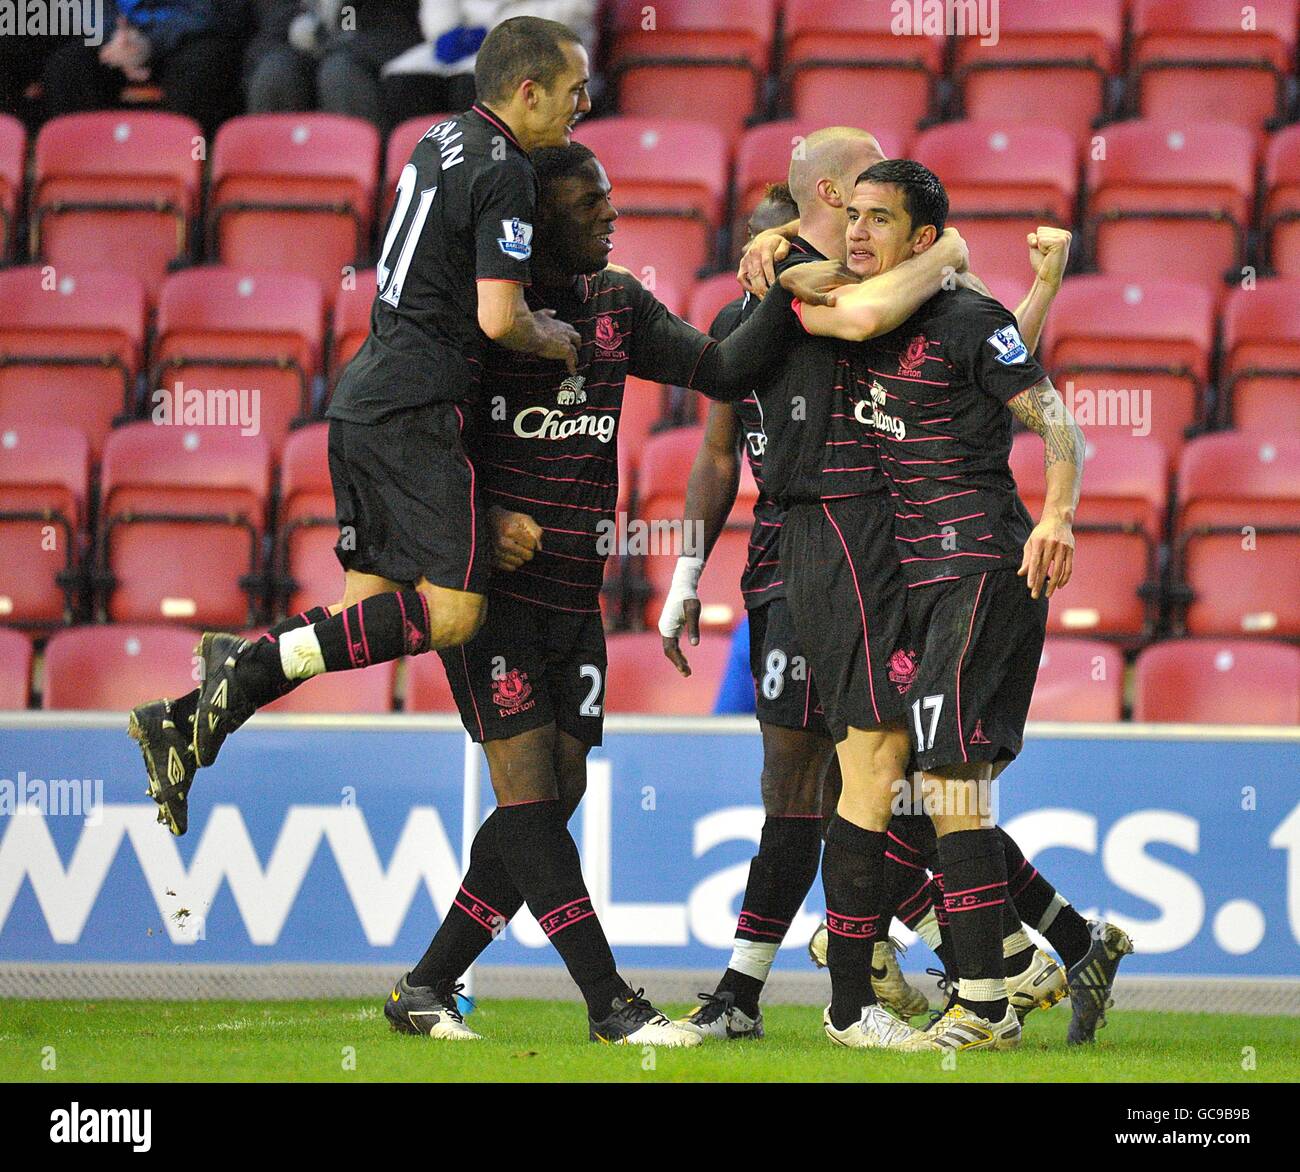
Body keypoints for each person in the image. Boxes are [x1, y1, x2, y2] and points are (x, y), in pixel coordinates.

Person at [128, 16, 590, 836]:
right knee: (451, 616)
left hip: (364, 399)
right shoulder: (506, 170)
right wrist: (551, 334)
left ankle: (190, 719)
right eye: (572, 90)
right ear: (527, 92)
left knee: (364, 614)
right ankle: (247, 662)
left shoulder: (435, 138)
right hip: (416, 411)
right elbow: (497, 317)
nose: (582, 105)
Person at [388, 139, 806, 1044]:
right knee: (533, 798)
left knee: (556, 793)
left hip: (576, 595)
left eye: (611, 201)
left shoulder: (618, 303)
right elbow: (418, 440)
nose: (612, 217)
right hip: (489, 595)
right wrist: (484, 511)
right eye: (590, 206)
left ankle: (425, 985)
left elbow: (725, 370)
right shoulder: (480, 319)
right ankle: (611, 1005)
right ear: (534, 221)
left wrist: (787, 290)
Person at [783, 159, 1133, 1050]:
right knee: (934, 792)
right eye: (850, 216)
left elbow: (1058, 423)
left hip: (982, 568)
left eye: (879, 220)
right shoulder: (872, 319)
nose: (858, 233)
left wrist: (1056, 516)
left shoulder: (968, 315)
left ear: (924, 241)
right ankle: (1033, 964)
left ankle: (984, 1004)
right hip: (921, 586)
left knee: (951, 788)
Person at [41, 1, 242, 137]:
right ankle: (84, 169)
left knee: (204, 67)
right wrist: (114, 36)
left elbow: (214, 12)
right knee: (69, 67)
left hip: (186, 36)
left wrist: (150, 43)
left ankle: (178, 169)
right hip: (116, 37)